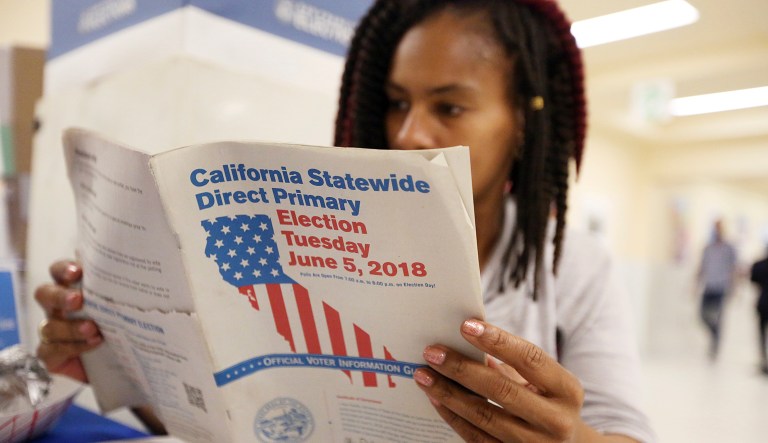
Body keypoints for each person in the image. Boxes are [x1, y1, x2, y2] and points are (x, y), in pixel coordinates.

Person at [35, 0, 655, 441]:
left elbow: (627, 433)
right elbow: (237, 421)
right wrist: (122, 356)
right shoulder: (305, 234)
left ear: (522, 120)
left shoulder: (571, 263)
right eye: (397, 103)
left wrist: (572, 440)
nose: (410, 133)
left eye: (450, 106)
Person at [696, 219, 738, 360]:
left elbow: (734, 269)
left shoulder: (729, 248)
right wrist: (695, 285)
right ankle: (714, 334)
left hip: (721, 287)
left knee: (718, 319)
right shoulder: (708, 248)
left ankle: (715, 347)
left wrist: (734, 288)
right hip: (708, 286)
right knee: (702, 316)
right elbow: (701, 267)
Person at [749, 247, 768, 374]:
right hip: (763, 303)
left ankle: (763, 359)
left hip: (763, 302)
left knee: (762, 333)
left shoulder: (759, 265)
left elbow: (753, 280)